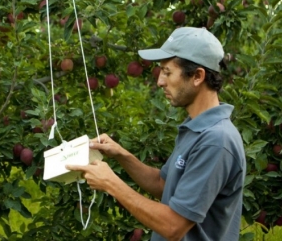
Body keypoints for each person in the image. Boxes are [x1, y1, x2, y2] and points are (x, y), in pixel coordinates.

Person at [66, 27, 246, 241]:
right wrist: (122, 155)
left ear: (198, 76)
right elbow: (163, 185)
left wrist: (111, 183)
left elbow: (173, 226)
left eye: (168, 72)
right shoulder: (196, 128)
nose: (160, 81)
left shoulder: (216, 141)